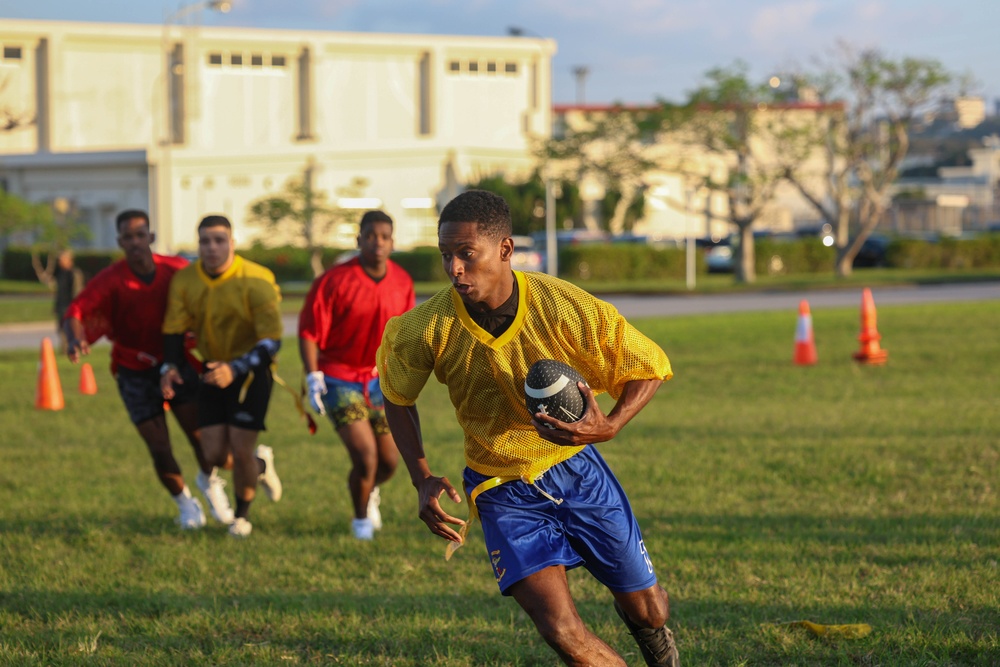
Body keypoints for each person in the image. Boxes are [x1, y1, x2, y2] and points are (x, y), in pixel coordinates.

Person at [377, 190, 679, 666]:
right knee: (561, 630)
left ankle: (652, 635)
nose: (454, 268)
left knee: (651, 609)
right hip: (501, 489)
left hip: (576, 469)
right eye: (445, 256)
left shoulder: (561, 305)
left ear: (505, 250)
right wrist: (420, 477)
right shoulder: (425, 328)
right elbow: (396, 396)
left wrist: (611, 424)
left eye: (466, 255)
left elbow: (649, 363)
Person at [62, 209, 234, 530]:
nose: (136, 242)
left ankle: (209, 483)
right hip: (134, 369)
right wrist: (75, 337)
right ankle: (185, 503)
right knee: (158, 446)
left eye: (141, 235)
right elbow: (77, 309)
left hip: (178, 363)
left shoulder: (176, 270)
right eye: (129, 237)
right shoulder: (112, 279)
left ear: (151, 237)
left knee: (202, 440)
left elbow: (211, 289)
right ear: (120, 242)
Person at [160, 214, 284, 539]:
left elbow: (272, 341)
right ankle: (260, 465)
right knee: (214, 454)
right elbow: (173, 330)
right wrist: (168, 367)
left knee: (240, 448)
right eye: (205, 241)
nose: (212, 247)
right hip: (213, 369)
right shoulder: (186, 280)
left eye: (219, 240)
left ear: (233, 242)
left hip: (251, 373)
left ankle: (241, 518)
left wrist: (237, 368)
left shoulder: (257, 278)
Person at [298, 210, 415, 540]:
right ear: (359, 239)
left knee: (390, 461)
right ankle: (361, 518)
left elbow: (403, 335)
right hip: (338, 376)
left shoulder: (402, 281)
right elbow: (309, 332)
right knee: (366, 456)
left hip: (380, 380)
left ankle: (370, 490)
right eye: (370, 235)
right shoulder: (333, 280)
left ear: (392, 242)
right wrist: (312, 376)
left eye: (384, 236)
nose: (377, 242)